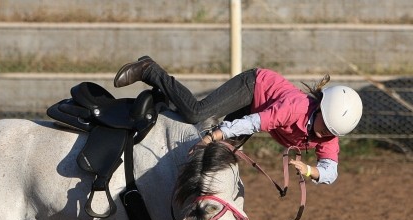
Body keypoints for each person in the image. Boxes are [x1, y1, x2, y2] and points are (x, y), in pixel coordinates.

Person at [113, 56, 363, 184]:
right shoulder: (294, 108)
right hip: (254, 86)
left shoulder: (329, 133)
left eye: (330, 132)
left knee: (219, 155)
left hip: (259, 109)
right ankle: (149, 70)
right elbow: (253, 122)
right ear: (319, 108)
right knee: (196, 113)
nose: (323, 135)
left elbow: (332, 172)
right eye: (324, 127)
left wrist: (310, 170)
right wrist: (217, 133)